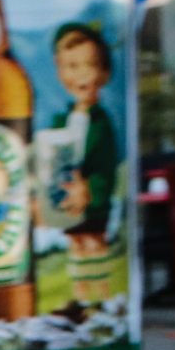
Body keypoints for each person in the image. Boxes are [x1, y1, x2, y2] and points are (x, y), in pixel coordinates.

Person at [49, 23, 122, 308]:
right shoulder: (63, 119)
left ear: (103, 73)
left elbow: (106, 166)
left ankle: (102, 297)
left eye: (88, 66)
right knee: (76, 245)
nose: (80, 75)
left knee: (94, 243)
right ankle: (80, 299)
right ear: (59, 70)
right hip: (70, 198)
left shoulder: (102, 124)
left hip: (92, 200)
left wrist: (90, 190)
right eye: (71, 66)